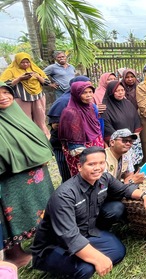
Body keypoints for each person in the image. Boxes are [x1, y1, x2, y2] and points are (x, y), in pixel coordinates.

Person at [31, 146, 146, 279]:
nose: (98, 168)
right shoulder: (64, 195)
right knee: (86, 268)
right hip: (55, 244)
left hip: (85, 232)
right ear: (80, 167)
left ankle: (80, 258)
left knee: (118, 251)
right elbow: (69, 236)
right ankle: (68, 264)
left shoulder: (104, 179)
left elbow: (123, 190)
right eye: (91, 164)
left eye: (102, 163)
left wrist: (145, 195)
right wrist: (97, 258)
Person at [0, 82, 54, 268]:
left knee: (41, 209)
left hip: (36, 176)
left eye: (6, 92)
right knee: (15, 213)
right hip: (11, 180)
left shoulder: (18, 115)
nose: (3, 96)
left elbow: (38, 139)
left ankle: (43, 240)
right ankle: (14, 253)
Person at [47, 75, 91, 182]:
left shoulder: (84, 99)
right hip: (63, 145)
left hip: (81, 144)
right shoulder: (63, 102)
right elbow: (55, 125)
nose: (88, 92)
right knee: (68, 176)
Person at [59, 81, 104, 176]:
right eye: (84, 93)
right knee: (85, 177)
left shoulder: (91, 107)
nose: (89, 95)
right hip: (82, 152)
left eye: (90, 92)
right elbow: (75, 144)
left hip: (96, 146)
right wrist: (89, 156)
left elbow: (96, 126)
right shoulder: (71, 113)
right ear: (76, 94)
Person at [0, 52, 51, 136]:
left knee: (40, 118)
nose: (25, 64)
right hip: (22, 98)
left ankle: (44, 136)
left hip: (38, 97)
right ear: (17, 62)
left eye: (27, 62)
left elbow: (47, 82)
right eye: (22, 62)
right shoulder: (10, 70)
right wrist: (19, 78)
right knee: (25, 118)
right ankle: (29, 136)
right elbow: (4, 84)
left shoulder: (35, 68)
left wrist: (38, 76)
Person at [102, 80, 143, 167]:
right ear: (111, 92)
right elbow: (107, 126)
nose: (120, 93)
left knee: (134, 166)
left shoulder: (128, 103)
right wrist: (121, 140)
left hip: (132, 140)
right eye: (117, 91)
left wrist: (135, 134)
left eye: (122, 90)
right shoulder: (105, 108)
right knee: (122, 168)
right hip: (119, 144)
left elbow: (136, 118)